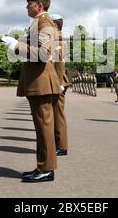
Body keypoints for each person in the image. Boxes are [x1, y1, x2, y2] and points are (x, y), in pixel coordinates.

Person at [2, 0, 60, 182]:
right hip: (38, 81)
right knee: (41, 127)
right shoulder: (37, 23)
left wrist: (16, 46)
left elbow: (43, 53)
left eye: (29, 4)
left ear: (39, 6)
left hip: (42, 81)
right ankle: (42, 167)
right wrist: (18, 42)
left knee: (44, 127)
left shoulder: (44, 22)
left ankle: (46, 169)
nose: (27, 7)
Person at [51, 13, 69, 157]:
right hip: (57, 81)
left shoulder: (58, 39)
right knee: (57, 114)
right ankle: (59, 144)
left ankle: (61, 146)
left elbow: (59, 64)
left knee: (58, 115)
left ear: (55, 25)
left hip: (58, 82)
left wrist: (58, 83)